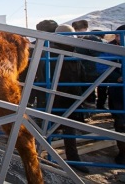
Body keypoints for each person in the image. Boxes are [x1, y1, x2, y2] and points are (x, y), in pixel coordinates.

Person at [48, 24, 89, 173]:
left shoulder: (73, 52)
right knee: (47, 127)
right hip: (54, 97)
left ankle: (72, 159)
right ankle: (42, 156)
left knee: (67, 130)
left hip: (69, 98)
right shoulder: (48, 52)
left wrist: (84, 96)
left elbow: (81, 75)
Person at [99, 24, 125, 164]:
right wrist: (116, 77)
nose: (120, 38)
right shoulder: (110, 49)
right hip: (117, 90)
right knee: (120, 122)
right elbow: (101, 66)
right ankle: (122, 153)